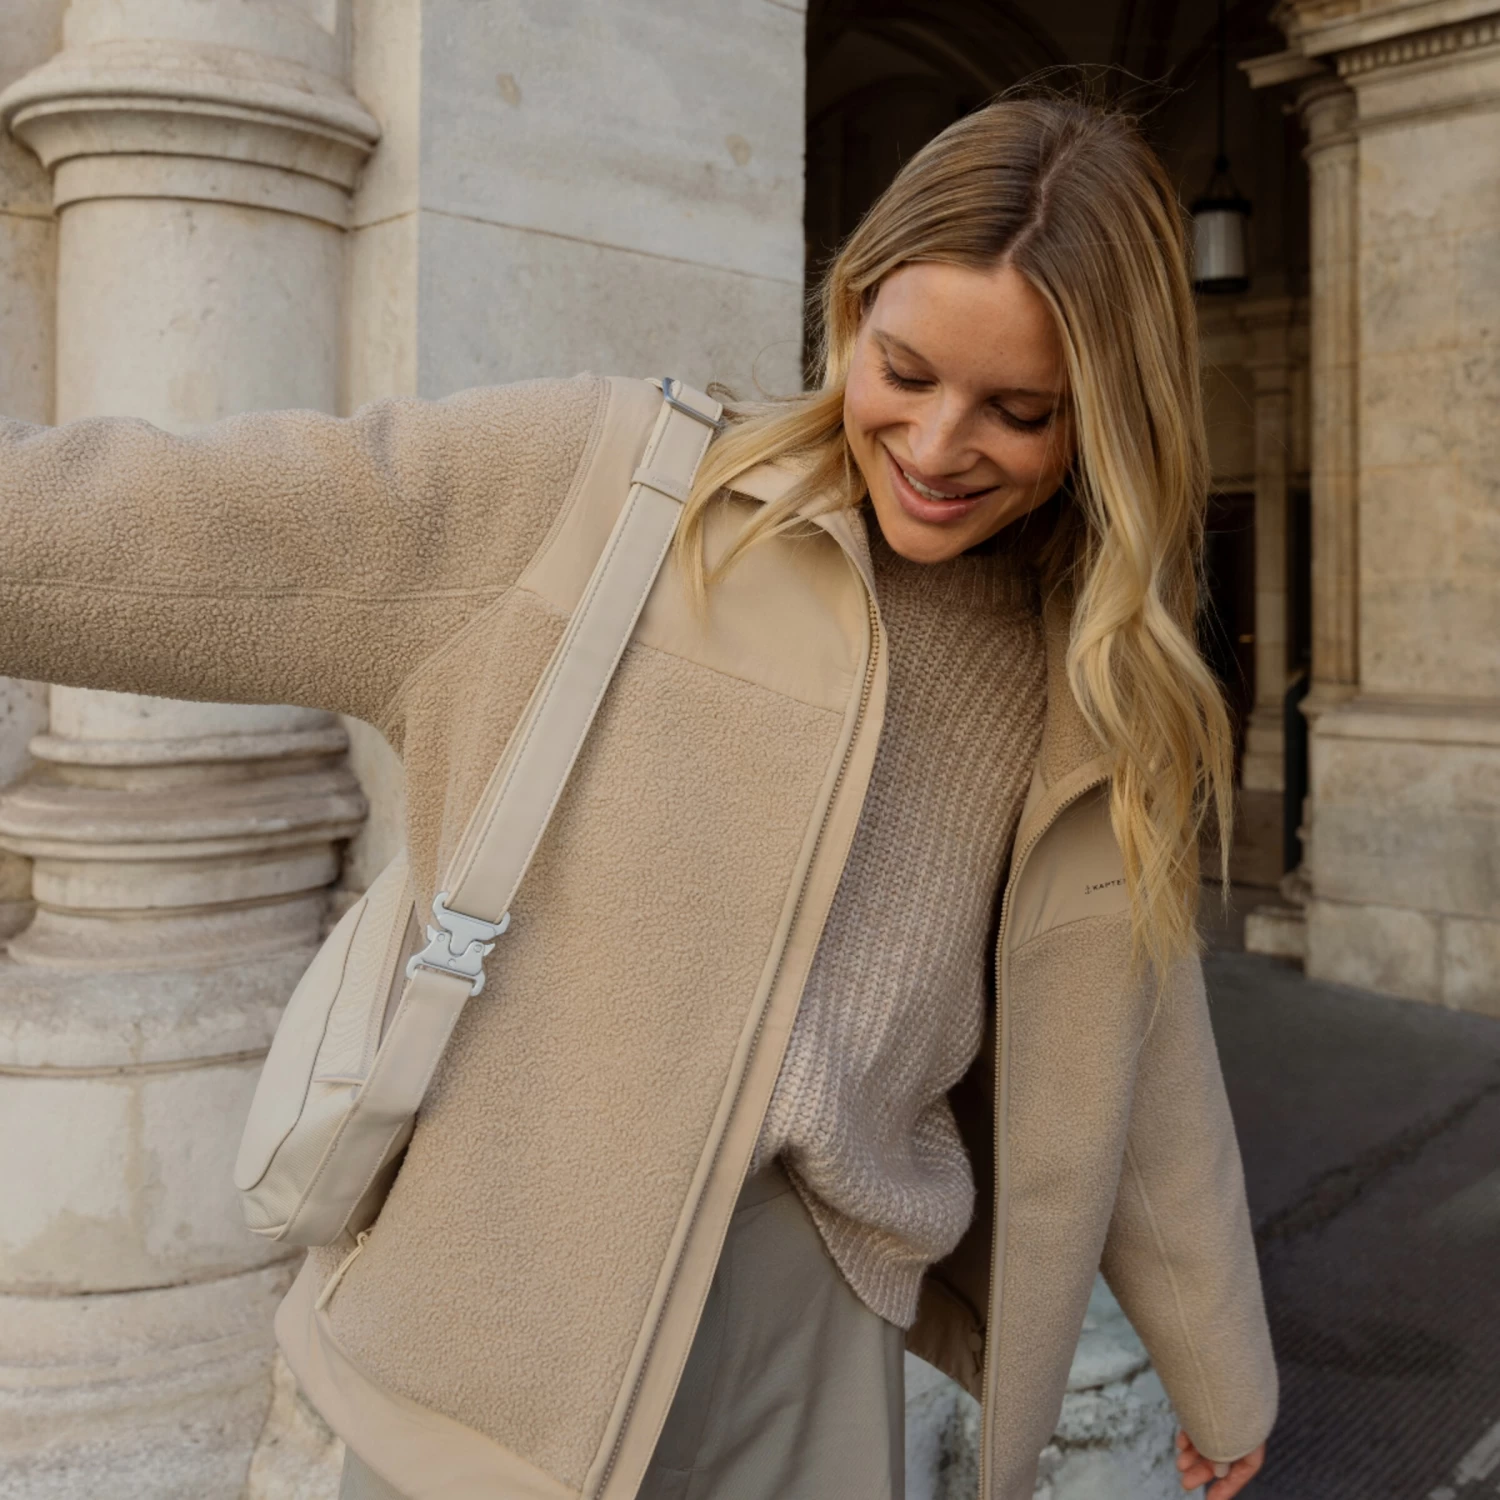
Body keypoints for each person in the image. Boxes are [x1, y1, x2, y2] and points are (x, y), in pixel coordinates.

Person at [0, 93, 1276, 1500]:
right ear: (850, 311)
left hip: (811, 1337)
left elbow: (1135, 1049)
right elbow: (185, 531)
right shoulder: (600, 489)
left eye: (1019, 412)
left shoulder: (1087, 683)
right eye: (903, 369)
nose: (935, 441)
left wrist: (1222, 1371)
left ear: (1106, 415)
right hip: (496, 1328)